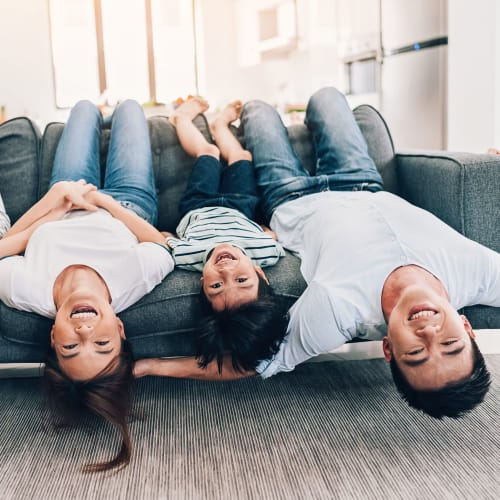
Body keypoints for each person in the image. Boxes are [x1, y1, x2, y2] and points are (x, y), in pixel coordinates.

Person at [135, 87, 499, 420]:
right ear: (467, 329)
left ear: (388, 349)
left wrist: (153, 366)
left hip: (290, 194)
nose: (429, 333)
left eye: (415, 353)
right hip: (361, 179)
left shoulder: (339, 311)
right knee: (327, 97)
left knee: (259, 110)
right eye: (450, 343)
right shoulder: (478, 275)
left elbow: (256, 362)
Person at [0, 99, 173, 471]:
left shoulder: (26, 291)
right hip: (125, 203)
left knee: (81, 109)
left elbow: (6, 246)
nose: (84, 330)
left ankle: (95, 111)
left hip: (64, 196)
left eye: (70, 346)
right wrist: (108, 203)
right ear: (120, 329)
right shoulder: (133, 281)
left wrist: (54, 203)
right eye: (101, 343)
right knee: (129, 108)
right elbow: (161, 247)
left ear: (52, 339)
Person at [164, 97, 286, 372]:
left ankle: (182, 118)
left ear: (202, 285)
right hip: (241, 206)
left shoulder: (187, 256)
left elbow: (163, 239)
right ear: (259, 273)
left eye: (216, 286)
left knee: (208, 152)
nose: (226, 270)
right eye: (242, 279)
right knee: (242, 157)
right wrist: (268, 233)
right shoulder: (266, 253)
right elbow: (274, 237)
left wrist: (165, 235)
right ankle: (220, 125)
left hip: (200, 204)